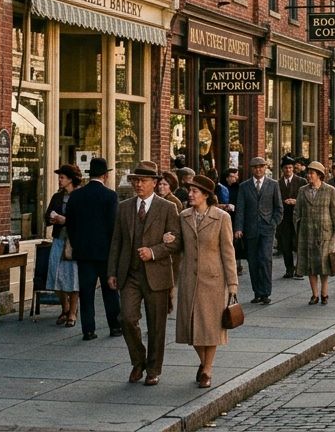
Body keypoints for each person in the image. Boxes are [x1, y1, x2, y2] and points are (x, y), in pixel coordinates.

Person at [107, 162, 181, 387]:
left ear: (155, 183)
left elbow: (176, 241)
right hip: (129, 273)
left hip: (156, 274)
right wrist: (111, 272)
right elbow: (116, 241)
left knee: (156, 324)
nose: (138, 185)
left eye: (143, 181)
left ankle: (154, 369)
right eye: (135, 180)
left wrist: (154, 251)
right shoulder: (125, 207)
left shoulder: (167, 208)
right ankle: (138, 361)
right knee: (127, 318)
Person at [177, 175, 238, 389]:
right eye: (190, 191)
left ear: (205, 195)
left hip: (213, 279)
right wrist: (169, 239)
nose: (190, 194)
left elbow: (228, 251)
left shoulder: (221, 218)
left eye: (194, 191)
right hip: (188, 279)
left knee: (210, 328)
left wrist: (232, 284)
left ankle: (208, 370)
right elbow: (179, 245)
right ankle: (204, 363)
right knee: (191, 327)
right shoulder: (183, 216)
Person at [65, 157, 121, 340]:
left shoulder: (76, 195)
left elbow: (70, 225)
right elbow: (113, 226)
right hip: (105, 252)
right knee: (110, 291)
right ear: (105, 175)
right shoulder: (110, 196)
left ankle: (88, 330)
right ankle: (115, 326)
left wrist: (76, 243)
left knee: (86, 292)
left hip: (84, 252)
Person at [234, 157, 281, 305]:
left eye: (261, 167)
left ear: (265, 168)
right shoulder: (244, 186)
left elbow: (279, 208)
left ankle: (266, 292)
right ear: (251, 169)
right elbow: (240, 209)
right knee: (253, 260)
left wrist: (273, 223)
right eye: (255, 167)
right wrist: (238, 228)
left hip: (267, 228)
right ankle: (257, 292)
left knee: (265, 259)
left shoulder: (273, 185)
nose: (258, 170)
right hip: (250, 229)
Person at [295, 162, 335, 305]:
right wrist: (298, 228)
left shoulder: (330, 190)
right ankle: (314, 294)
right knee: (310, 264)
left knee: (324, 264)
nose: (309, 175)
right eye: (308, 173)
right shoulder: (302, 190)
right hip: (307, 233)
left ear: (319, 175)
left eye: (312, 173)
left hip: (325, 234)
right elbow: (297, 211)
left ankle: (324, 293)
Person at [45, 164, 82, 327]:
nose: (59, 180)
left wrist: (65, 220)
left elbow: (84, 220)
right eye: (59, 177)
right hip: (59, 240)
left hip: (73, 242)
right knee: (55, 276)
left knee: (73, 277)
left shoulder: (80, 197)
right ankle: (65, 307)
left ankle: (73, 312)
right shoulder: (57, 197)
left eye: (62, 177)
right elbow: (47, 215)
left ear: (71, 179)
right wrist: (52, 219)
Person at [276, 156, 305, 279]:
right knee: (286, 245)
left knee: (299, 244)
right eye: (286, 168)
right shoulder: (277, 183)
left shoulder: (301, 182)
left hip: (298, 217)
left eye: (290, 168)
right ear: (282, 169)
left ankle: (299, 269)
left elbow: (306, 199)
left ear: (293, 169)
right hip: (284, 219)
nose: (288, 170)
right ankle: (289, 269)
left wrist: (295, 201)